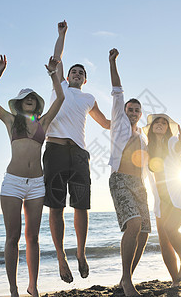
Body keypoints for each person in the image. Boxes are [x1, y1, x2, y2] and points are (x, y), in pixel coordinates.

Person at [0, 54, 64, 297]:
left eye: (33, 98)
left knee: (33, 238)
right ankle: (13, 289)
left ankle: (33, 287)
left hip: (37, 185)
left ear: (36, 104)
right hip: (13, 184)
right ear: (19, 103)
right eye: (25, 98)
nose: (29, 100)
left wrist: (52, 74)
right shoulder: (10, 120)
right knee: (13, 237)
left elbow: (60, 98)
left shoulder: (44, 122)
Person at [43, 20, 111, 283]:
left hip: (80, 154)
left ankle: (81, 253)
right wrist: (62, 34)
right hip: (56, 150)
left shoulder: (88, 98)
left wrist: (126, 118)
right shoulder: (58, 86)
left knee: (81, 206)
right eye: (73, 71)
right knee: (56, 207)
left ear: (85, 79)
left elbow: (105, 123)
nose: (77, 73)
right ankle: (61, 257)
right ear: (66, 75)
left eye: (81, 72)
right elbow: (56, 58)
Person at [108, 48, 150, 296]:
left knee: (144, 232)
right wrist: (112, 62)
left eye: (136, 110)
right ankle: (126, 281)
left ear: (140, 114)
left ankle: (126, 278)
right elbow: (117, 91)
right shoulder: (119, 123)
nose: (132, 112)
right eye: (130, 109)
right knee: (133, 224)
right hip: (120, 180)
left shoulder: (142, 136)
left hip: (139, 184)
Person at [143, 114, 181, 286]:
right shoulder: (146, 148)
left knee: (170, 228)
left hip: (179, 194)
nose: (160, 124)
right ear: (151, 128)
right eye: (156, 122)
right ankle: (175, 280)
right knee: (164, 240)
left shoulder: (172, 142)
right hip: (160, 199)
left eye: (163, 123)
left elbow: (180, 146)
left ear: (168, 128)